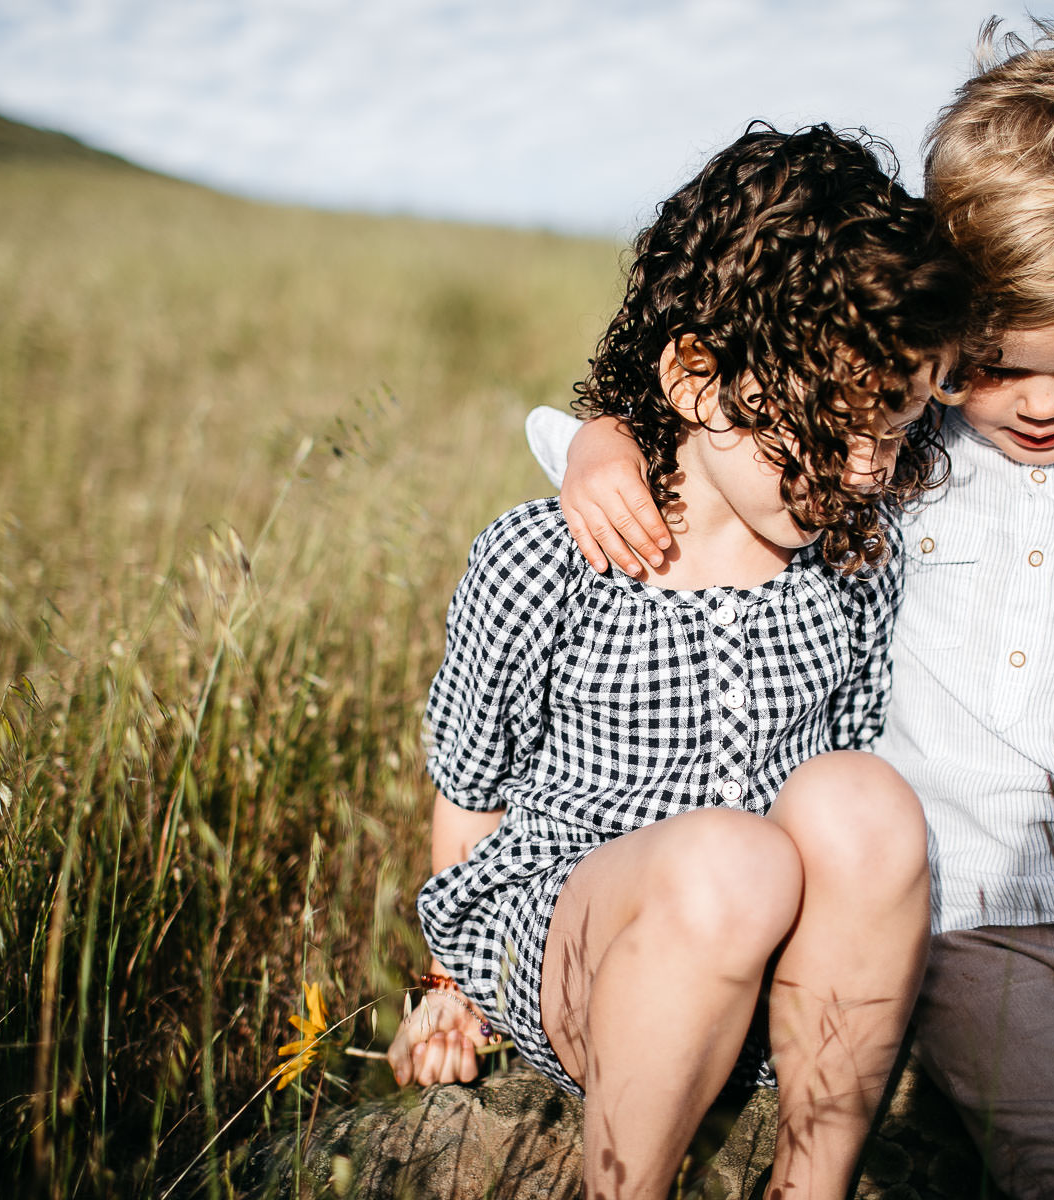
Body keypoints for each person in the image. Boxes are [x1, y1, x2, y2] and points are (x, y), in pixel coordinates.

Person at [532, 22, 1054, 1200]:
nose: (1039, 403)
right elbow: (719, 437)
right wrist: (597, 442)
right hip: (967, 919)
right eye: (990, 364)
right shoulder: (894, 445)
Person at [385, 122, 975, 1200]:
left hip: (759, 980)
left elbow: (839, 800)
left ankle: (815, 1177)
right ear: (699, 382)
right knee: (727, 865)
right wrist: (443, 987)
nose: (866, 471)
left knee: (867, 800)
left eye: (892, 431)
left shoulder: (849, 565)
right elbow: (467, 791)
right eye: (831, 429)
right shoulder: (547, 560)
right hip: (577, 952)